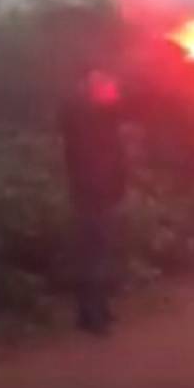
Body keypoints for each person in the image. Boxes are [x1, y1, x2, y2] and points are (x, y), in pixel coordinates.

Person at [59, 67, 128, 335]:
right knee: (95, 254)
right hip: (94, 192)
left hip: (96, 191)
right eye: (106, 86)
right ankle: (93, 315)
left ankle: (92, 311)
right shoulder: (87, 121)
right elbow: (96, 159)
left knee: (96, 252)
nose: (113, 90)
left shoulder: (99, 118)